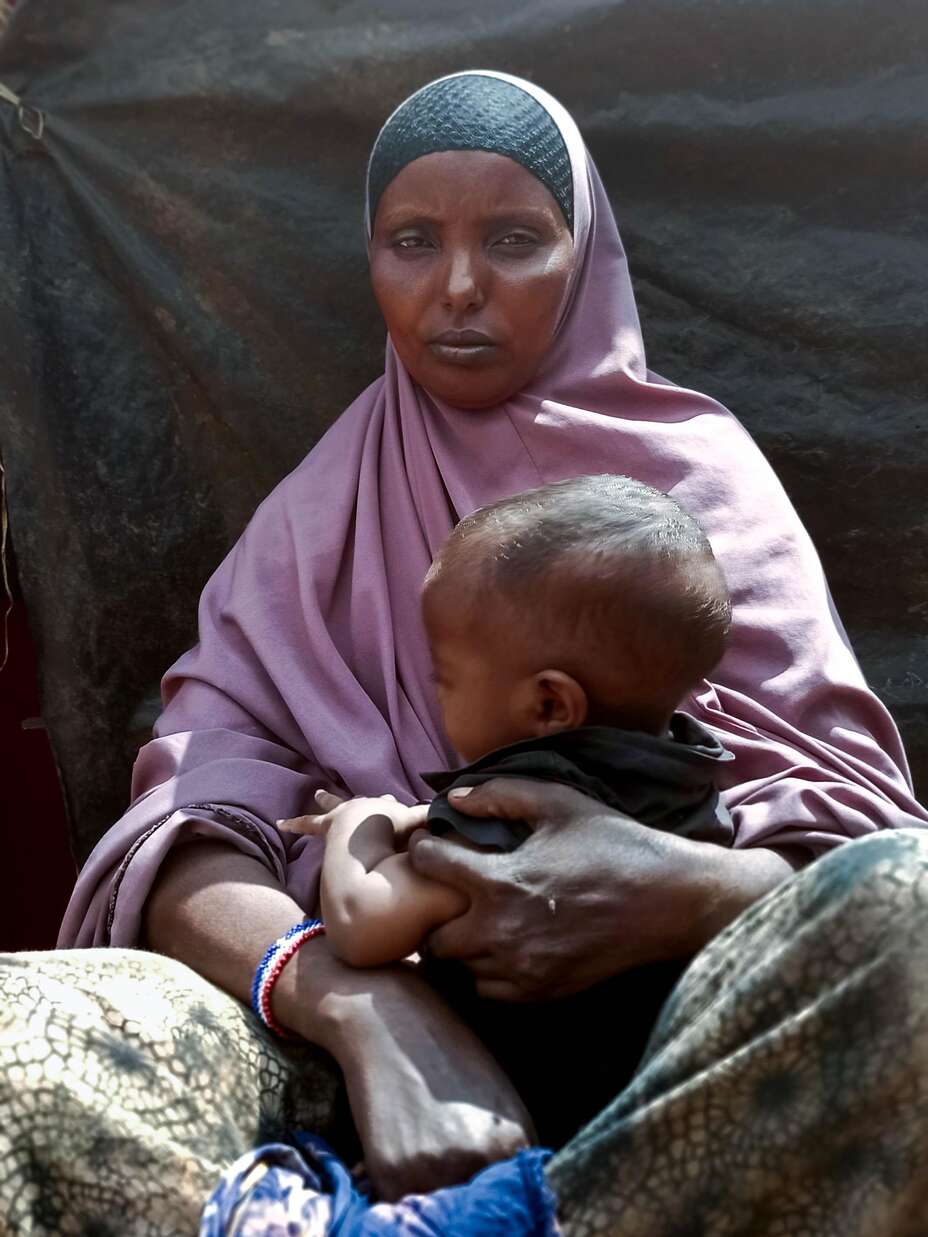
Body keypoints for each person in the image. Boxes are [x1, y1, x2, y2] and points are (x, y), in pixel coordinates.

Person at [3, 69, 928, 1236]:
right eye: (410, 241)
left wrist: (691, 888)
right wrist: (371, 1012)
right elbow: (185, 832)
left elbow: (855, 840)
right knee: (23, 1043)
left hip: (681, 1049)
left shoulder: (696, 489)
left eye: (512, 240)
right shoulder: (320, 518)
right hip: (344, 1065)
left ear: (584, 258)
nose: (456, 288)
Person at [290, 473, 735, 973]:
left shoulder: (513, 812)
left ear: (548, 705)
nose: (436, 692)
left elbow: (362, 924)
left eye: (446, 678)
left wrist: (360, 824)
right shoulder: (690, 778)